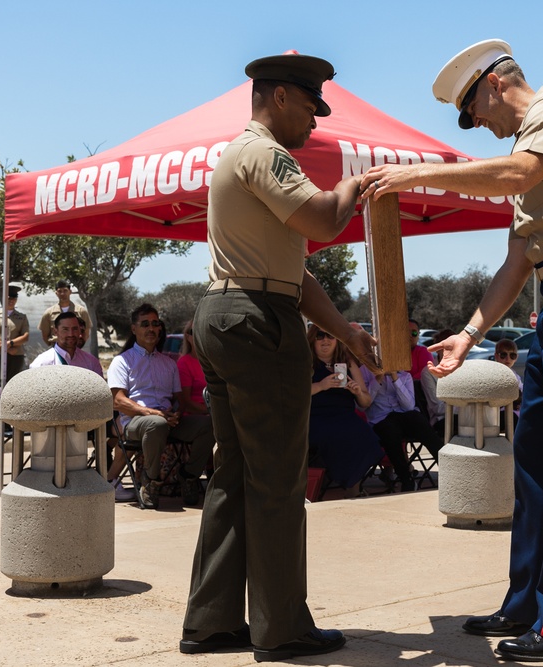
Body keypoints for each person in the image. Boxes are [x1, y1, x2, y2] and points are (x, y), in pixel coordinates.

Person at [361, 39, 543, 662]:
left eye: (474, 111)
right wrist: (469, 334)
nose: (478, 124)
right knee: (536, 455)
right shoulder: (521, 150)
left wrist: (413, 174)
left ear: (494, 84)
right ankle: (527, 601)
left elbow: (519, 175)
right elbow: (518, 259)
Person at [180, 53, 379, 662]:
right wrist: (354, 184)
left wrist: (345, 332)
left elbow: (294, 276)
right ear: (282, 98)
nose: (316, 123)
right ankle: (282, 626)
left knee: (235, 474)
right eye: (312, 108)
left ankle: (213, 621)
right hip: (256, 322)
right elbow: (322, 219)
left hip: (232, 311)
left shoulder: (242, 158)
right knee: (277, 480)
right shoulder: (265, 153)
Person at [107, 304, 214, 510]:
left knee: (210, 424)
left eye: (155, 324)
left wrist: (176, 412)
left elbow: (179, 399)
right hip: (135, 422)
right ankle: (151, 482)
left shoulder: (168, 363)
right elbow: (117, 400)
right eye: (145, 324)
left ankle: (189, 475)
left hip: (166, 420)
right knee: (156, 424)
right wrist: (153, 413)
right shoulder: (122, 361)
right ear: (133, 329)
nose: (151, 328)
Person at [30, 311, 135, 503]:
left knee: (113, 429)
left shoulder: (90, 362)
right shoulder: (42, 363)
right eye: (65, 329)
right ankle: (54, 482)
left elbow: (101, 396)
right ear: (55, 331)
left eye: (75, 329)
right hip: (54, 424)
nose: (71, 333)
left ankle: (108, 481)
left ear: (81, 332)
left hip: (89, 422)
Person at [306, 324, 381, 497]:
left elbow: (366, 401)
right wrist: (321, 386)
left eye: (330, 336)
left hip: (345, 416)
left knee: (366, 436)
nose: (325, 340)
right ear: (313, 339)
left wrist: (357, 392)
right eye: (320, 336)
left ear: (337, 340)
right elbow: (294, 393)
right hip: (315, 416)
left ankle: (353, 488)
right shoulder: (306, 362)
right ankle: (345, 486)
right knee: (336, 436)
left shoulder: (347, 363)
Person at [360, 367, 444, 493]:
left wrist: (395, 378)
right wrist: (377, 381)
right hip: (380, 417)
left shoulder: (404, 375)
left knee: (421, 423)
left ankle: (448, 470)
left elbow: (409, 406)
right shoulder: (364, 372)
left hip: (403, 413)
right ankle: (406, 479)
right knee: (389, 433)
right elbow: (364, 403)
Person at [0, 285, 29, 436]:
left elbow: (25, 335)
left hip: (15, 356)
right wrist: (2, 346)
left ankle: (9, 425)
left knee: (11, 390)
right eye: (8, 298)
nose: (11, 301)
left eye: (13, 299)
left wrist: (12, 344)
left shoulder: (21, 317)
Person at [419, 328, 454, 440]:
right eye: (446, 348)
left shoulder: (463, 368)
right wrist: (464, 405)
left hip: (464, 417)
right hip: (441, 420)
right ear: (438, 348)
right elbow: (437, 408)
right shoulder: (428, 372)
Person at [38, 280, 90, 348]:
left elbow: (86, 333)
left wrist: (78, 346)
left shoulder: (81, 311)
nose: (62, 294)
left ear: (70, 292)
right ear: (56, 293)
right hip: (56, 348)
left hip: (75, 348)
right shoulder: (49, 313)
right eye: (59, 291)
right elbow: (45, 335)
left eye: (65, 290)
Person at [176, 321, 207, 417]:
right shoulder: (184, 363)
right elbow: (186, 403)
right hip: (195, 417)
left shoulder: (216, 362)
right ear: (188, 337)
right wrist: (212, 412)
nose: (199, 335)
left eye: (203, 331)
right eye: (195, 332)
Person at [494, 338, 524, 417]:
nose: (508, 359)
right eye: (503, 355)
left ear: (516, 357)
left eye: (512, 356)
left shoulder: (515, 375)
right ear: (496, 356)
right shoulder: (493, 373)